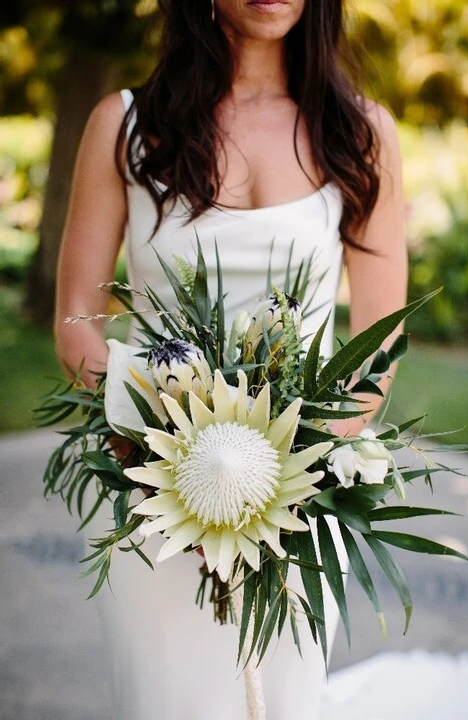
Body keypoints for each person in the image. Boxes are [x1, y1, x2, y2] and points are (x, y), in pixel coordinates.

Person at [54, 1, 407, 718]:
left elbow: (381, 340)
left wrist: (290, 481)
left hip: (304, 505)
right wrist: (161, 455)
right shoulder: (122, 126)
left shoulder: (361, 133)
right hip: (153, 494)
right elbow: (76, 321)